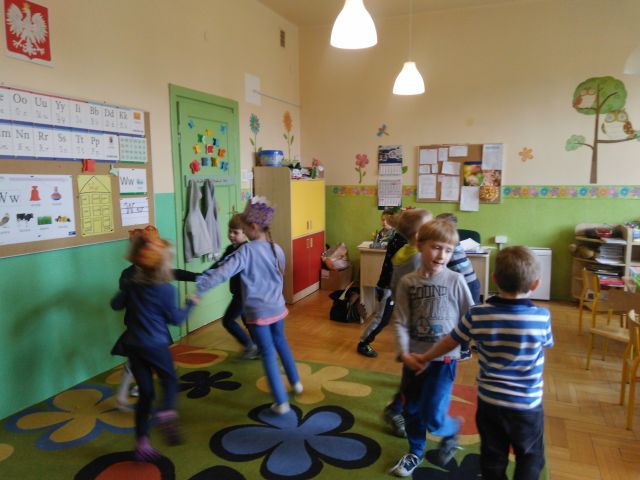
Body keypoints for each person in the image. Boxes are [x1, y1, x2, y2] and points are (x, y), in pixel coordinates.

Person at [413, 246, 553, 480]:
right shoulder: (541, 317)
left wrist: (425, 357)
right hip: (526, 405)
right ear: (536, 284)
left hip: (490, 402)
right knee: (530, 455)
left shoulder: (477, 314)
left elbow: (450, 341)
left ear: (494, 278)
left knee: (492, 456)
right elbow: (546, 344)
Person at [195, 196, 302, 414]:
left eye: (243, 228)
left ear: (253, 227)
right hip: (277, 307)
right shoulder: (276, 248)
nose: (241, 232)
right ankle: (296, 383)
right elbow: (281, 273)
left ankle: (281, 402)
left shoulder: (246, 251)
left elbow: (223, 273)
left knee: (268, 353)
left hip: (258, 312)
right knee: (281, 343)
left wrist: (202, 285)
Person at [389, 219, 474, 477]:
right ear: (419, 245)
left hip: (444, 361)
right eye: (436, 247)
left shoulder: (456, 280)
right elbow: (400, 321)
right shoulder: (408, 282)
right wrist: (404, 353)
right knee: (411, 411)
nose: (442, 255)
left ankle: (451, 429)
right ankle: (415, 451)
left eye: (448, 250)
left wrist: (476, 342)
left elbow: (471, 317)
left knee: (434, 416)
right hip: (414, 360)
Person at [110, 228, 196, 461]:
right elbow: (176, 320)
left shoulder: (131, 284)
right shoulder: (166, 290)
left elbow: (115, 305)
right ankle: (166, 412)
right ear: (163, 264)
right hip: (156, 345)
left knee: (146, 394)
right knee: (169, 380)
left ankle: (142, 442)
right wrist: (191, 303)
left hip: (134, 345)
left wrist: (124, 291)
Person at [180, 213, 259, 360]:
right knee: (249, 321)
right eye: (230, 231)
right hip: (239, 293)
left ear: (245, 233)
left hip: (245, 295)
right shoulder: (230, 249)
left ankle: (251, 346)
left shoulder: (247, 251)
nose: (231, 235)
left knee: (228, 321)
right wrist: (205, 275)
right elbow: (218, 266)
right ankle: (257, 347)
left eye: (235, 232)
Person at [357, 209, 431, 359]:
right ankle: (363, 342)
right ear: (416, 233)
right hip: (389, 288)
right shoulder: (405, 247)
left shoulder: (399, 240)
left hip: (389, 287)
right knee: (382, 319)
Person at [435, 213, 481, 360]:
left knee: (465, 319)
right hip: (466, 283)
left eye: (439, 225)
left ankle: (465, 351)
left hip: (468, 285)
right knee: (468, 317)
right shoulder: (450, 240)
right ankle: (480, 343)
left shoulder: (449, 242)